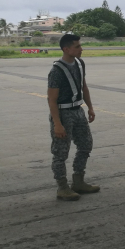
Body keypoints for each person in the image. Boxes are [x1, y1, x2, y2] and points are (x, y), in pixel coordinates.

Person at [47, 34, 100, 201]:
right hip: (63, 113)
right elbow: (52, 99)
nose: (81, 48)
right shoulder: (56, 71)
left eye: (80, 45)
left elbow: (84, 87)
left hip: (78, 110)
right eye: (77, 46)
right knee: (61, 152)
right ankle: (62, 187)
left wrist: (90, 108)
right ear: (66, 49)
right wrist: (57, 124)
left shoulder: (79, 63)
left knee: (85, 145)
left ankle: (78, 181)